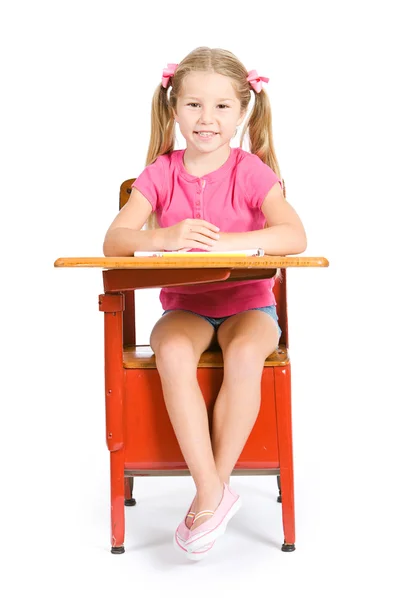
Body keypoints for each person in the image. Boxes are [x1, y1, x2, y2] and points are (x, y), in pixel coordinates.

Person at [103, 46, 307, 559]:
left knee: (243, 355)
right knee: (171, 352)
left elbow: (295, 235)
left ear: (242, 114)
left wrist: (227, 243)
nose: (206, 118)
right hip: (186, 308)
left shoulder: (251, 171)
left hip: (249, 307)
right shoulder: (160, 173)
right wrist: (166, 236)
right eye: (194, 105)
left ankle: (206, 495)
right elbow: (115, 241)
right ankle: (214, 491)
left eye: (221, 107)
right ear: (174, 110)